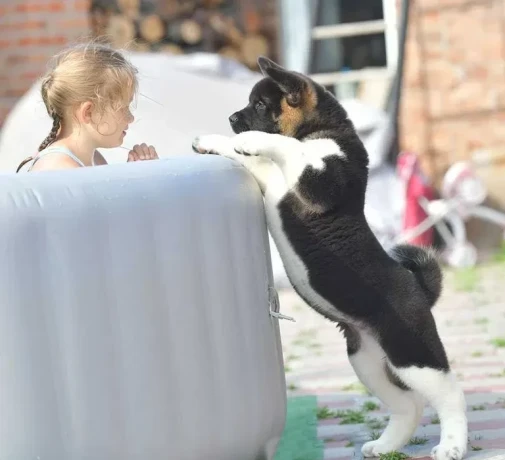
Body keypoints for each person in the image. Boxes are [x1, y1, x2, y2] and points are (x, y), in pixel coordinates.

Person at [16, 41, 158, 173]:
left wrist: (138, 176)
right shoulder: (59, 168)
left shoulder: (95, 159)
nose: (130, 118)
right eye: (122, 107)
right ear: (88, 112)